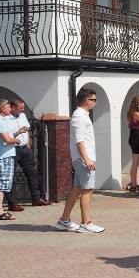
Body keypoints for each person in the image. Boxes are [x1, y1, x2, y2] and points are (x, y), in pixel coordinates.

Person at [55, 87, 104, 233]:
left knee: (77, 189)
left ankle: (64, 220)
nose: (95, 102)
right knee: (87, 189)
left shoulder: (82, 115)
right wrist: (86, 159)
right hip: (83, 159)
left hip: (83, 158)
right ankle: (86, 222)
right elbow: (79, 139)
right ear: (87, 100)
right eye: (94, 100)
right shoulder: (79, 116)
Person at [4, 98, 51, 209]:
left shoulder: (23, 116)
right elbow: (7, 136)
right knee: (11, 176)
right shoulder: (6, 119)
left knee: (32, 173)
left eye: (23, 108)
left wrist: (28, 146)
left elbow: (27, 132)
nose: (23, 110)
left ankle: (36, 198)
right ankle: (12, 203)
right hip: (12, 149)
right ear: (13, 108)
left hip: (25, 149)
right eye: (20, 108)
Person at [0, 99, 23, 220]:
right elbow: (7, 140)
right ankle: (0, 212)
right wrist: (18, 141)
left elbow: (7, 136)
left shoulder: (0, 120)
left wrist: (18, 132)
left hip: (4, 155)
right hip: (2, 157)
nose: (10, 108)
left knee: (1, 183)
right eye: (8, 106)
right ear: (3, 108)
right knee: (1, 185)